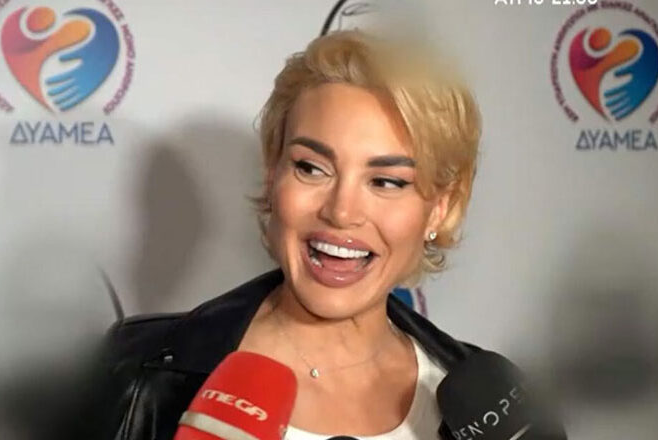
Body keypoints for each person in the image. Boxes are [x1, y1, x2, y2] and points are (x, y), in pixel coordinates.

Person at [91, 30, 496, 440]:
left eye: (387, 182)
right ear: (273, 175)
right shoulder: (134, 370)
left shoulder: (492, 407)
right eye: (311, 168)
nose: (341, 212)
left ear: (440, 207)